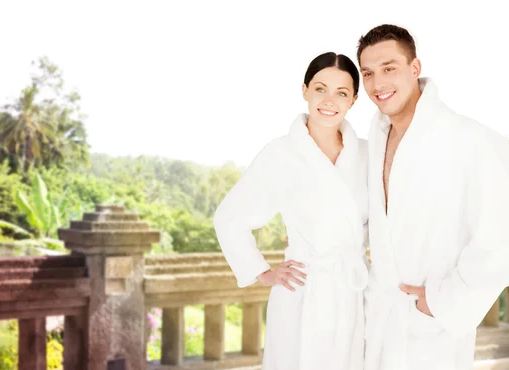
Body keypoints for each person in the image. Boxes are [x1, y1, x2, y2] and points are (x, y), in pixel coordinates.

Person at [358, 24, 509, 370]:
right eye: (368, 73)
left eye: (389, 68)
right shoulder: (376, 141)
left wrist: (445, 301)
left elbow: (503, 236)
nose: (378, 84)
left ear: (415, 68)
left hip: (432, 327)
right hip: (380, 322)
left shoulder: (470, 139)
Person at [213, 52, 369, 370]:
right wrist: (261, 271)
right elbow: (229, 217)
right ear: (305, 91)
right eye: (320, 88)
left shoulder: (367, 153)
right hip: (302, 291)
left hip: (354, 292)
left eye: (342, 93)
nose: (330, 100)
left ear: (353, 100)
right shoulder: (281, 153)